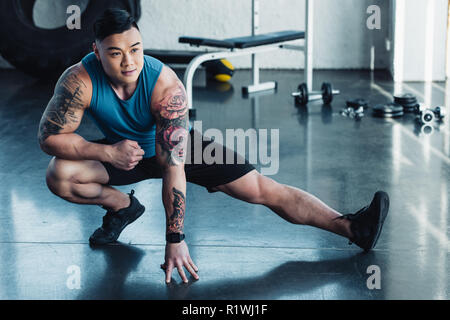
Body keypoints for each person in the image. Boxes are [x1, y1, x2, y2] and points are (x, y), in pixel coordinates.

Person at [38, 9, 389, 284]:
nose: (129, 62)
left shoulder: (165, 86)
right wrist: (107, 152)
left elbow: (172, 166)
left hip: (175, 149)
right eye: (115, 53)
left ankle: (351, 227)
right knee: (60, 174)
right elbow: (49, 138)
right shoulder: (79, 79)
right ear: (96, 51)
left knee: (263, 190)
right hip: (122, 152)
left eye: (135, 50)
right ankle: (122, 208)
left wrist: (175, 238)